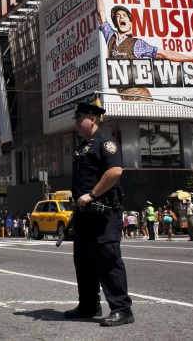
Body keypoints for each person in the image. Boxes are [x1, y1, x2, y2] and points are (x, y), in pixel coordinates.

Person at [63, 102, 133, 327]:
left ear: (92, 118)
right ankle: (89, 304)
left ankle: (122, 309)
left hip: (103, 213)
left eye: (78, 119)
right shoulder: (84, 145)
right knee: (83, 261)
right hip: (85, 214)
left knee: (108, 260)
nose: (75, 124)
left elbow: (115, 171)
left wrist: (91, 195)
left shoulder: (106, 142)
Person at [95, 0, 193, 101]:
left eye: (124, 16)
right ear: (115, 22)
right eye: (118, 16)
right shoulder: (110, 37)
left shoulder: (138, 44)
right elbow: (101, 14)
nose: (121, 18)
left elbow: (165, 54)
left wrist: (190, 58)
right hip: (123, 95)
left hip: (139, 95)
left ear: (130, 23)